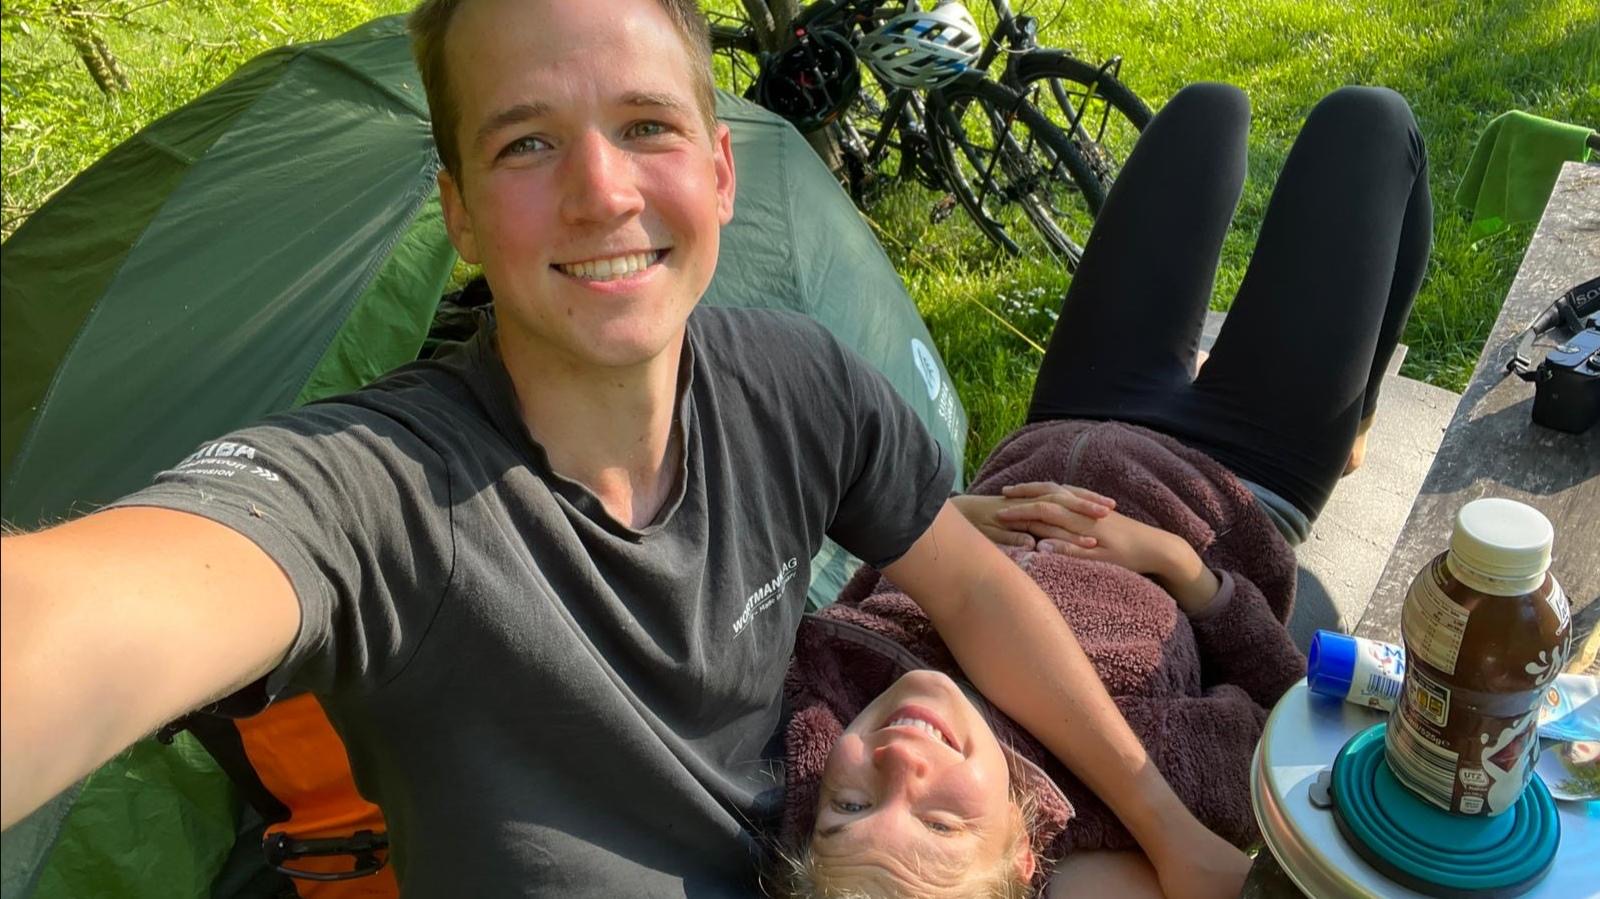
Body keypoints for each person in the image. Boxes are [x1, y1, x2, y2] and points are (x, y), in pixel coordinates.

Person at [0, 1, 1249, 896]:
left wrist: (1166, 824)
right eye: (526, 141)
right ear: (459, 213)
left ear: (720, 171)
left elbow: (972, 590)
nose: (602, 192)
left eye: (646, 124)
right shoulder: (383, 492)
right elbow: (77, 623)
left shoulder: (793, 384)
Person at [771, 81, 1433, 897]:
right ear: (1023, 856)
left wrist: (942, 517)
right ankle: (1357, 413)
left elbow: (858, 589)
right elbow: (1284, 704)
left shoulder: (823, 706)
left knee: (1205, 113)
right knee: (1370, 126)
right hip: (1232, 482)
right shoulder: (1158, 770)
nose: (900, 763)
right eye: (939, 822)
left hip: (1067, 417)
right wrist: (1178, 566)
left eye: (849, 806)